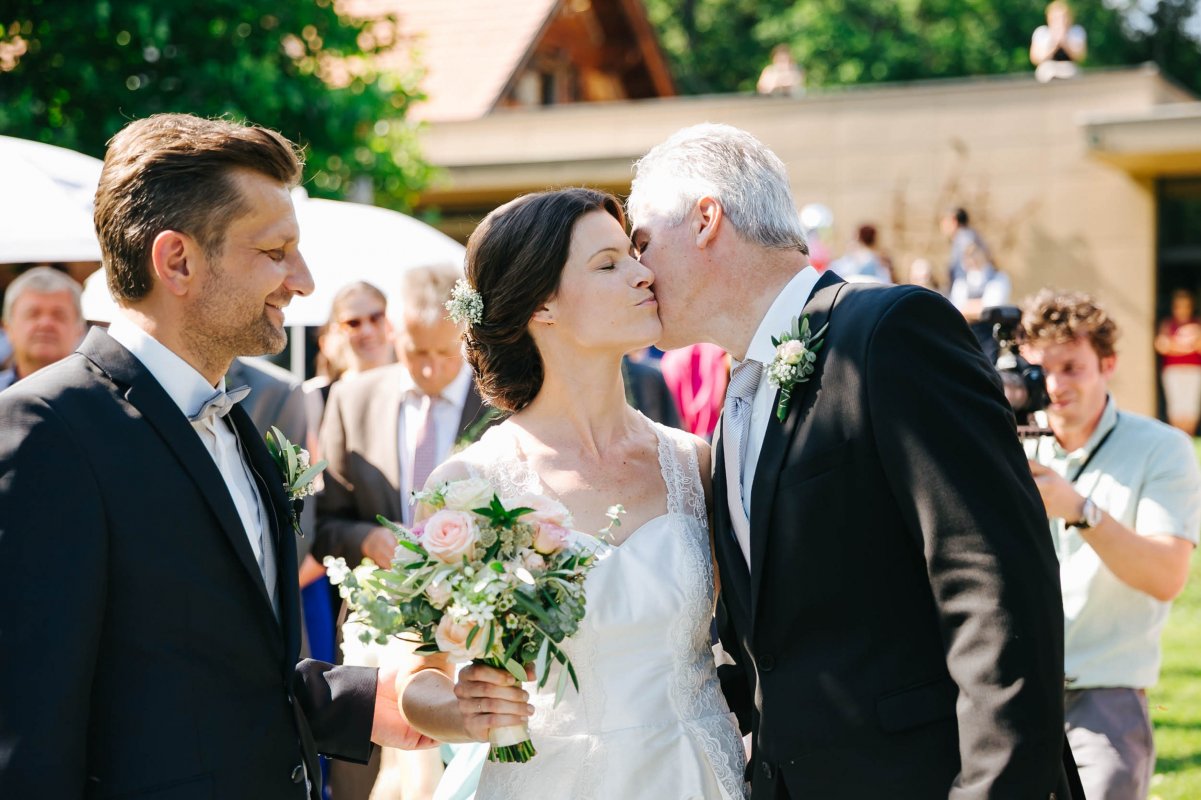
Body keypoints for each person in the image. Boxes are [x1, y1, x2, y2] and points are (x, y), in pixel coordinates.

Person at [625, 123, 1078, 798]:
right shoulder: (735, 397)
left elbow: (993, 582)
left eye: (640, 241)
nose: (636, 270)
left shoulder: (890, 330)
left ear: (705, 219)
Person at [0, 113, 434, 799]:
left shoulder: (241, 423)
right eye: (275, 251)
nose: (303, 280)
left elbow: (218, 662)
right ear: (177, 261)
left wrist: (371, 699)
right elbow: (28, 723)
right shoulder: (46, 428)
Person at [400, 188, 747, 799]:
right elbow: (416, 673)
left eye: (634, 255)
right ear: (542, 306)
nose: (644, 274)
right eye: (609, 264)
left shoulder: (694, 464)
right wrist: (465, 712)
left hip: (698, 776)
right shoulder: (470, 488)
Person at [316, 263, 492, 800]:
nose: (432, 368)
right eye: (417, 353)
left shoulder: (501, 402)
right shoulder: (354, 397)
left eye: (445, 353)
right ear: (396, 332)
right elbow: (323, 523)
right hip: (377, 623)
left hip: (475, 625)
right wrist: (367, 541)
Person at [1022, 289, 1201, 800]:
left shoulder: (1162, 448)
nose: (1054, 386)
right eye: (1040, 370)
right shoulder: (1006, 444)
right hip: (1008, 690)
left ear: (1109, 364)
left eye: (1072, 367)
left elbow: (1166, 576)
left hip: (1105, 697)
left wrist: (1081, 511)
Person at [0, 265, 86, 390]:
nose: (46, 323)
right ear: (8, 329)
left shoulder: (101, 400)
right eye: (33, 314)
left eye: (59, 315)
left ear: (80, 330)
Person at [1154, 287, 1201, 436]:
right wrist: (1186, 346)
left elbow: (1199, 346)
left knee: (1191, 406)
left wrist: (1175, 346)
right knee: (1176, 406)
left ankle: (1189, 437)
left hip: (1193, 369)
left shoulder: (1197, 324)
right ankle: (1179, 437)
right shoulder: (1167, 324)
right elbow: (1161, 345)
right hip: (1173, 370)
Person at [1031, 1, 1087, 83]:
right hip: (1048, 69)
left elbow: (1081, 57)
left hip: (1069, 68)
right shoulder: (1042, 32)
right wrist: (1054, 43)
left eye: (1064, 17)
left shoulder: (1076, 32)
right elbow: (1035, 59)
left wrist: (1065, 42)